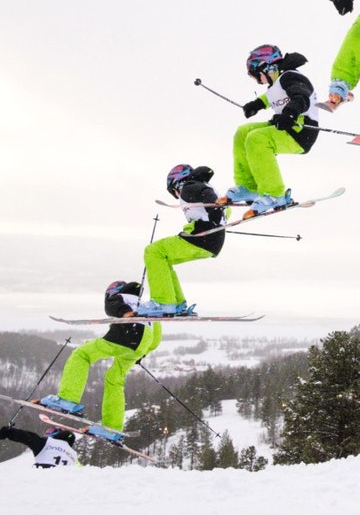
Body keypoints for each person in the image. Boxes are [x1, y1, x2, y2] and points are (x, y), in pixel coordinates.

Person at [38, 280, 162, 443]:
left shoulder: (120, 297)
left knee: (81, 354)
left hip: (127, 334)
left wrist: (124, 312)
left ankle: (67, 399)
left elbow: (111, 306)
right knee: (114, 379)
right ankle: (112, 427)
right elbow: (156, 338)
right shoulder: (146, 307)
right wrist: (140, 353)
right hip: (143, 343)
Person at [227, 45, 319, 214]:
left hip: (300, 130)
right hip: (285, 126)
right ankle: (249, 187)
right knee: (243, 133)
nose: (257, 80)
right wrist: (256, 105)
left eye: (256, 75)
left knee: (257, 139)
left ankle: (275, 194)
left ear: (267, 67)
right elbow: (272, 96)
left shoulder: (291, 76)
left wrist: (290, 113)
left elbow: (301, 96)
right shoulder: (276, 83)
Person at [138, 163, 226, 316]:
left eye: (174, 192)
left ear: (177, 183)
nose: (177, 196)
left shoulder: (189, 186)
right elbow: (224, 210)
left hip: (200, 238)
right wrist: (217, 219)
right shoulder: (204, 187)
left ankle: (164, 302)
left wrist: (215, 211)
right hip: (212, 241)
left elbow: (207, 196)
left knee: (153, 251)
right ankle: (176, 304)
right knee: (164, 258)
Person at [0, 424, 79, 468]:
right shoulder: (74, 454)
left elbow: (28, 437)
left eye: (49, 431)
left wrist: (9, 432)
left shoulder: (46, 442)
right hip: (63, 480)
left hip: (43, 469)